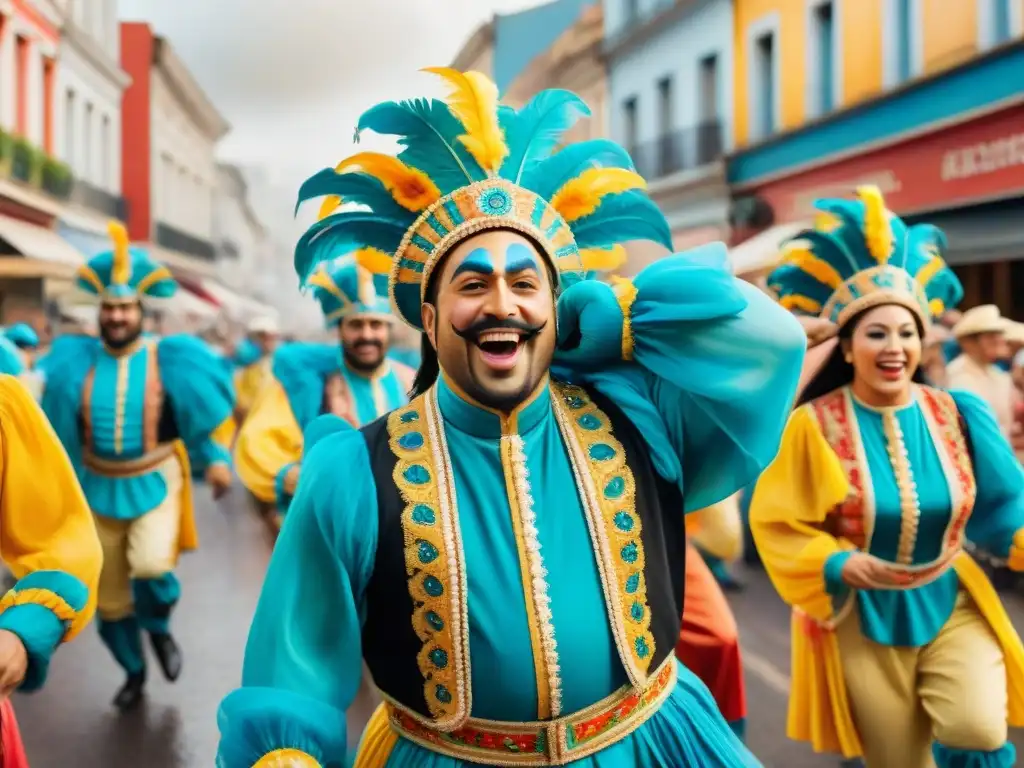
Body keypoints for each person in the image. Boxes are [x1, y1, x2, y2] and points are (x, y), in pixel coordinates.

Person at [217, 67, 804, 767]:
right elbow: (294, 669)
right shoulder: (351, 473)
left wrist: (620, 318)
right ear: (430, 322)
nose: (503, 304)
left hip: (649, 746)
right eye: (473, 284)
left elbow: (771, 344)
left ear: (556, 314)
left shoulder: (636, 418)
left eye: (526, 284)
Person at [750, 186, 1024, 768]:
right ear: (847, 347)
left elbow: (1005, 509)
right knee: (898, 760)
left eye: (907, 332)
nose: (895, 346)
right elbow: (777, 521)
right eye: (877, 333)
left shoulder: (959, 414)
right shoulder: (812, 427)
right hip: (864, 615)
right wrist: (836, 561)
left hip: (953, 593)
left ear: (923, 340)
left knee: (976, 727)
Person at [40, 222, 236, 711]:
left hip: (156, 478)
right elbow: (57, 435)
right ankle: (133, 669)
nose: (118, 315)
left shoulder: (172, 358)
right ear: (99, 313)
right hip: (97, 484)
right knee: (106, 605)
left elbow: (199, 423)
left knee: (150, 565)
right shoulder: (73, 359)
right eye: (110, 308)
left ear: (140, 312)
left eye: (126, 307)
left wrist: (215, 459)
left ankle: (160, 630)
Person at [233, 256, 414, 528]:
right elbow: (259, 441)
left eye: (375, 325)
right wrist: (291, 476)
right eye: (356, 324)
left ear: (389, 330)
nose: (367, 335)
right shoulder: (310, 382)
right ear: (339, 329)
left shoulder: (409, 382)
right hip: (331, 525)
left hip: (401, 526)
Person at [0, 373, 104, 767]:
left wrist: (25, 627)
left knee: (148, 570)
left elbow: (59, 538)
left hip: (139, 480)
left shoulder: (3, 404)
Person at [946, 304, 1019, 439]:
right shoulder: (958, 375)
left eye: (999, 334)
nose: (999, 340)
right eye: (990, 335)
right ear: (968, 342)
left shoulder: (998, 374)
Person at [233, 316, 281, 425]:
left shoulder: (275, 365)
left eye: (270, 338)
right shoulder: (242, 366)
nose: (267, 342)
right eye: (262, 337)